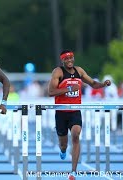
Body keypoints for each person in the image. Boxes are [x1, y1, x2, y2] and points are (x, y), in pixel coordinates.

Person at [48, 50, 111, 180]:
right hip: (61, 112)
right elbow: (51, 91)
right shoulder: (58, 72)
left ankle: (73, 172)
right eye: (66, 58)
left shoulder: (79, 71)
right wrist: (70, 89)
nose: (69, 60)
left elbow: (93, 84)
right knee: (63, 144)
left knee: (76, 135)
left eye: (71, 58)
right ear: (62, 60)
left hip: (75, 111)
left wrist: (103, 84)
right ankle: (63, 150)